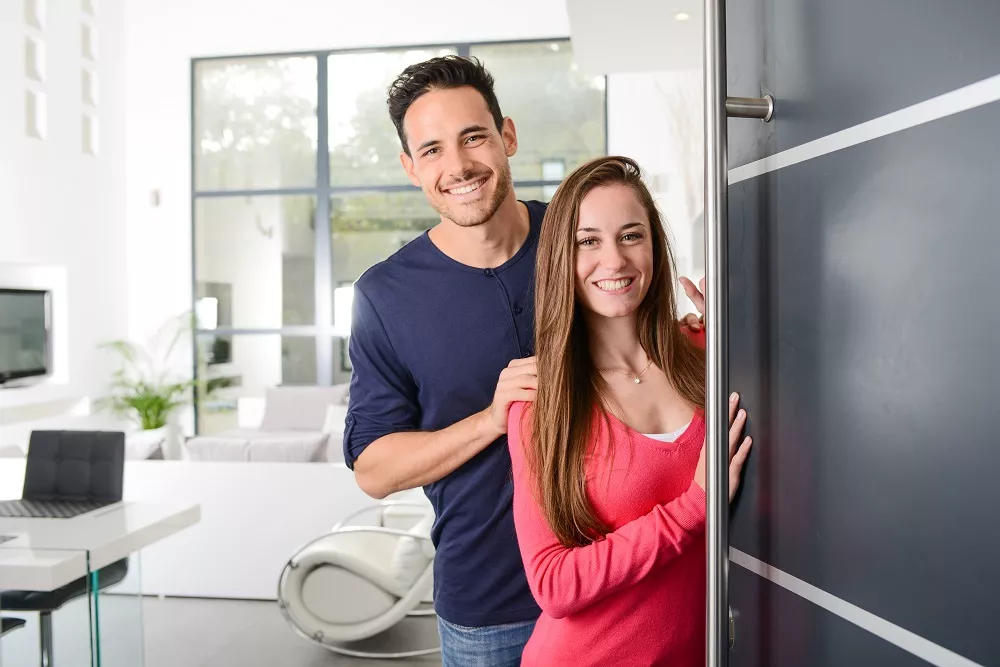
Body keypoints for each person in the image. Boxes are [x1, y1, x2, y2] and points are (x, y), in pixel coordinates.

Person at [344, 56, 706, 665]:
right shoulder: (385, 296)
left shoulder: (577, 236)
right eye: (431, 150)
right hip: (490, 604)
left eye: (473, 137)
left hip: (632, 583)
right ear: (411, 168)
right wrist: (490, 420)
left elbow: (640, 336)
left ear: (507, 135)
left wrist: (698, 337)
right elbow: (374, 470)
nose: (458, 166)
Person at [507, 155, 753, 666]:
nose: (614, 260)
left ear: (654, 247)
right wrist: (694, 506)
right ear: (561, 257)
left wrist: (741, 331)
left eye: (631, 236)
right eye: (588, 241)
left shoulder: (705, 350)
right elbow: (553, 583)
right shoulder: (541, 401)